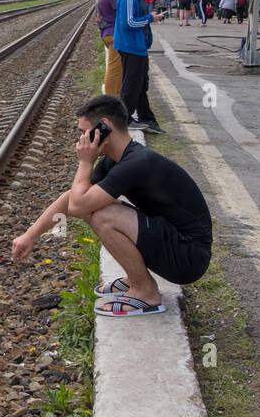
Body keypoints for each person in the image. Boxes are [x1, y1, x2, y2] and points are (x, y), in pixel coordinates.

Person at [12, 96, 212, 315]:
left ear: (104, 127)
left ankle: (145, 292)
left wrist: (85, 162)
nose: (81, 139)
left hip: (189, 256)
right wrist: (30, 235)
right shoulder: (119, 158)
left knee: (102, 214)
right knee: (96, 205)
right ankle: (135, 278)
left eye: (84, 131)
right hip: (177, 243)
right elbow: (71, 198)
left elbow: (79, 206)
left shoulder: (136, 163)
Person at [115, 0, 167, 134]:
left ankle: (146, 118)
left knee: (140, 85)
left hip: (137, 45)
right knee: (131, 86)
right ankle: (124, 119)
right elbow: (127, 22)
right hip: (130, 45)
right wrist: (151, 18)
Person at [95, 0, 123, 96]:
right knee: (115, 70)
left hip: (106, 32)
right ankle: (111, 100)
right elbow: (121, 14)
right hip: (114, 34)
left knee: (114, 68)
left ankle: (113, 96)